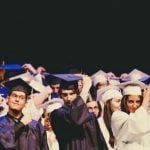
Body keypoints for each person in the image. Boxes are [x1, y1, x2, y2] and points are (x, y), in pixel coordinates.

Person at [50, 74, 108, 150]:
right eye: (65, 94)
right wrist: (84, 91)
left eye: (72, 93)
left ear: (77, 94)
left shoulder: (90, 116)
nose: (69, 98)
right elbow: (76, 119)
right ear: (60, 95)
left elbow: (100, 141)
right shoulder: (57, 114)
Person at [0, 78, 49, 150]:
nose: (17, 100)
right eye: (14, 96)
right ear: (7, 99)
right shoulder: (1, 123)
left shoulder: (35, 126)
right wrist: (21, 124)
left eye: (21, 97)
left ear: (26, 103)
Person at [111, 80, 150, 150]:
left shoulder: (145, 115)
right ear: (124, 102)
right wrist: (146, 99)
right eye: (131, 101)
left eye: (138, 101)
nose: (135, 106)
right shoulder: (117, 116)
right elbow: (136, 125)